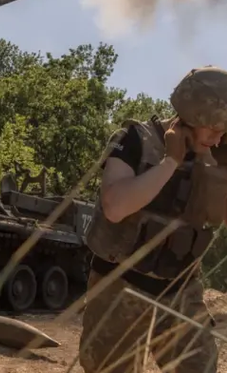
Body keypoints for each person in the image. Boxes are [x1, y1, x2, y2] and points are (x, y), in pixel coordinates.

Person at [79, 66, 227, 373]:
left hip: (180, 291)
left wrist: (216, 172)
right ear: (192, 114)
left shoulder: (219, 154)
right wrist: (170, 161)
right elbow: (115, 207)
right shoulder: (136, 140)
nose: (217, 139)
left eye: (224, 132)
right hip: (120, 286)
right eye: (213, 129)